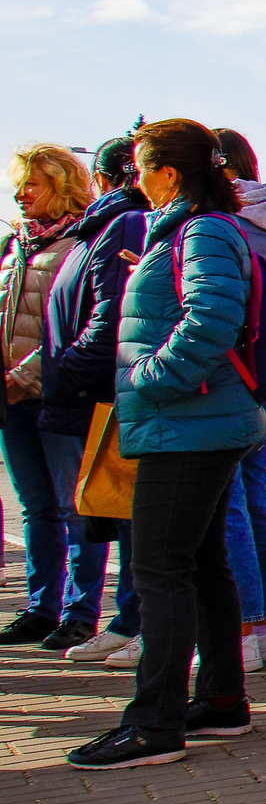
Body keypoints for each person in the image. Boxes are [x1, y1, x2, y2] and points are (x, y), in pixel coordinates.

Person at [67, 119, 261, 770]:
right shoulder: (187, 230)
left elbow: (211, 317)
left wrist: (152, 377)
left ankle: (155, 724)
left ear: (168, 173)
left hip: (186, 423)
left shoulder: (201, 231)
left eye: (141, 168)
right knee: (199, 564)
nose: (136, 180)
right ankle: (222, 701)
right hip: (193, 422)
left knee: (159, 570)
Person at [36, 134, 147, 661]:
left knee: (120, 515)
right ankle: (126, 620)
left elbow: (109, 317)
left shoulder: (120, 223)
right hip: (84, 388)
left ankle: (132, 621)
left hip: (96, 391)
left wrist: (63, 375)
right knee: (104, 512)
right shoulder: (97, 227)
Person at [2, 144, 96, 649]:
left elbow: (74, 326)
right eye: (18, 185)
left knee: (74, 506)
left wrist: (25, 374)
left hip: (56, 395)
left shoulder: (80, 243)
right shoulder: (13, 245)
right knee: (35, 507)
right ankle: (41, 609)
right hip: (12, 399)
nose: (21, 195)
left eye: (31, 185)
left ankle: (81, 613)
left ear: (61, 186)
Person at [212, 128, 266, 671]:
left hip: (233, 366)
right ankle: (265, 624)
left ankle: (242, 626)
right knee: (255, 489)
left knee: (230, 497)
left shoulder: (222, 221)